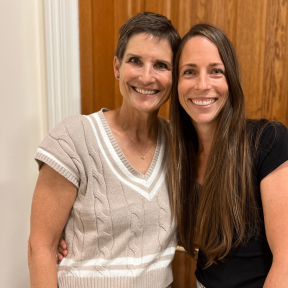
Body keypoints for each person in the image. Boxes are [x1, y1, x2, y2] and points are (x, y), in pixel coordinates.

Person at [28, 12, 181, 288]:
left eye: (161, 65)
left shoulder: (179, 145)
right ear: (117, 67)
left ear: (174, 77)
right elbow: (40, 246)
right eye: (135, 61)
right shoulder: (73, 138)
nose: (147, 77)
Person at [168, 24, 288, 288]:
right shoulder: (180, 154)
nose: (202, 84)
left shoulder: (269, 141)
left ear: (230, 80)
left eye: (216, 71)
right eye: (189, 72)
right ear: (177, 83)